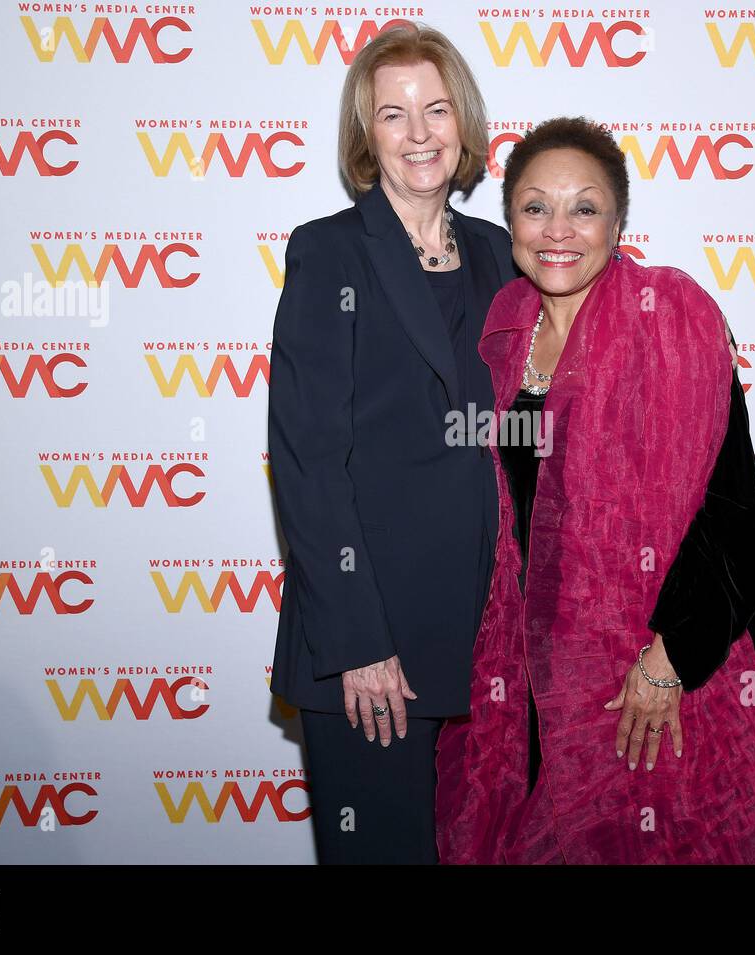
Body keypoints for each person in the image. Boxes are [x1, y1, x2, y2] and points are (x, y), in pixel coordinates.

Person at [434, 116, 755, 864]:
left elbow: (733, 516)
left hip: (651, 679)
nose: (558, 229)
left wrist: (665, 661)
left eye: (585, 206)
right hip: (530, 690)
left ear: (618, 221)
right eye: (536, 206)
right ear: (509, 221)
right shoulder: (501, 334)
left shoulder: (671, 315)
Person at [266, 23, 516, 864]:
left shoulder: (502, 254)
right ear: (365, 135)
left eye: (437, 109)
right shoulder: (330, 251)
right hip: (376, 647)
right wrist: (358, 641)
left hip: (487, 640)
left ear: (464, 123)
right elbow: (308, 460)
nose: (419, 133)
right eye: (394, 114)